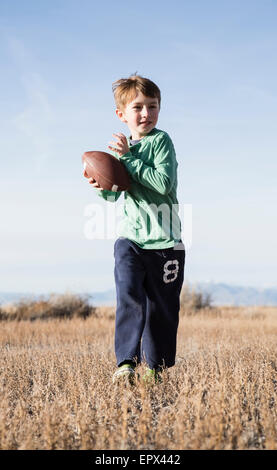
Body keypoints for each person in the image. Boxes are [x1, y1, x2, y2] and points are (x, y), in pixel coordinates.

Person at [86, 74, 185, 384]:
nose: (146, 114)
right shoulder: (122, 150)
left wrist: (129, 158)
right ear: (122, 114)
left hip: (166, 243)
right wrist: (98, 183)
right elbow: (113, 193)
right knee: (129, 296)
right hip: (131, 240)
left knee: (162, 310)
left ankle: (155, 370)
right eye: (138, 107)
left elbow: (162, 183)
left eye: (152, 106)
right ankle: (125, 363)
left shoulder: (161, 142)